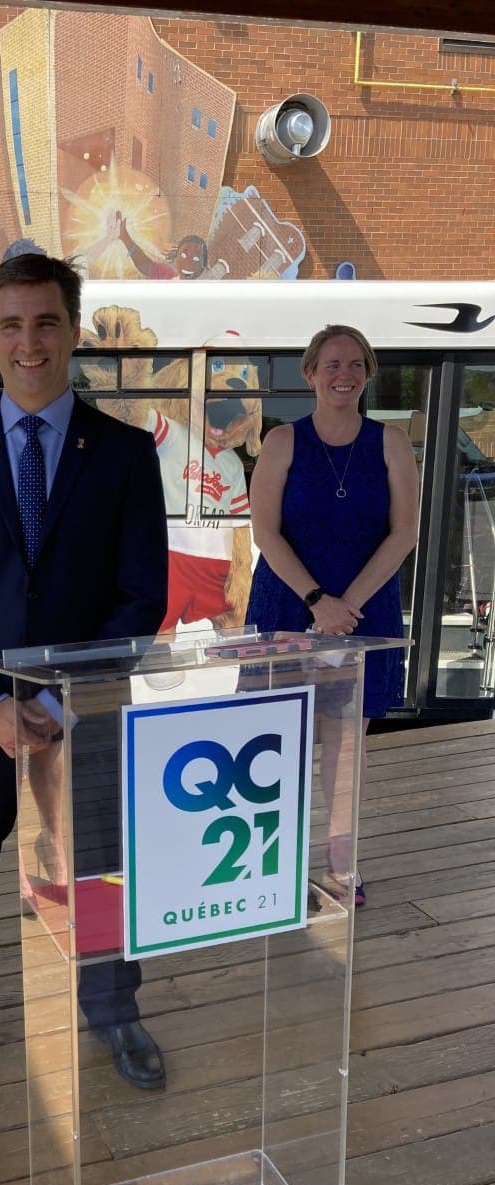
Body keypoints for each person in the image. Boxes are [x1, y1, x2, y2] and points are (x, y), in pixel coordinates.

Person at [0, 253, 169, 1087]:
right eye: (12, 324)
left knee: (101, 865)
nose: (30, 341)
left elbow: (141, 595)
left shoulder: (126, 453)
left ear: (74, 330)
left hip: (84, 713)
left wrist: (61, 698)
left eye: (47, 321)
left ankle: (113, 1008)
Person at [245, 324, 418, 905]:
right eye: (332, 364)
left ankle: (343, 869)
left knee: (346, 748)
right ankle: (274, 867)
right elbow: (264, 531)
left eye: (355, 364)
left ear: (367, 373)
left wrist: (349, 608)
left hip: (363, 616)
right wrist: (320, 603)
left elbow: (405, 533)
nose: (344, 374)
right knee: (279, 743)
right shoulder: (281, 442)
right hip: (289, 609)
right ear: (311, 374)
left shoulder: (391, 441)